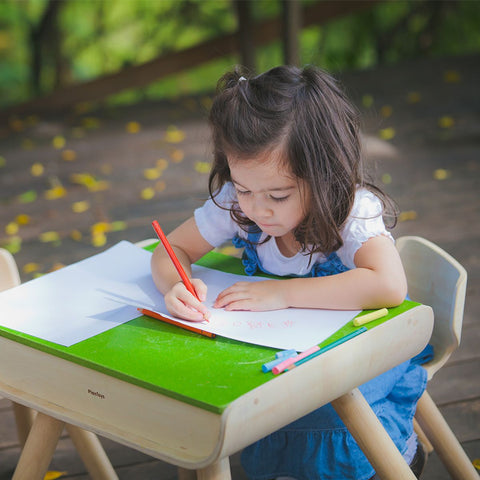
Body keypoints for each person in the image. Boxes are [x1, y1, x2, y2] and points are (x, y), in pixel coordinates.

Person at [151, 65, 427, 480]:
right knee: (242, 399)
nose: (257, 210)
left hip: (355, 354)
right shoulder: (238, 203)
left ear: (323, 175)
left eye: (277, 196)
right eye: (243, 189)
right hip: (283, 357)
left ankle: (395, 457)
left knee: (325, 413)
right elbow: (170, 249)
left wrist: (283, 293)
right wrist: (176, 285)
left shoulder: (351, 211)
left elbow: (388, 284)